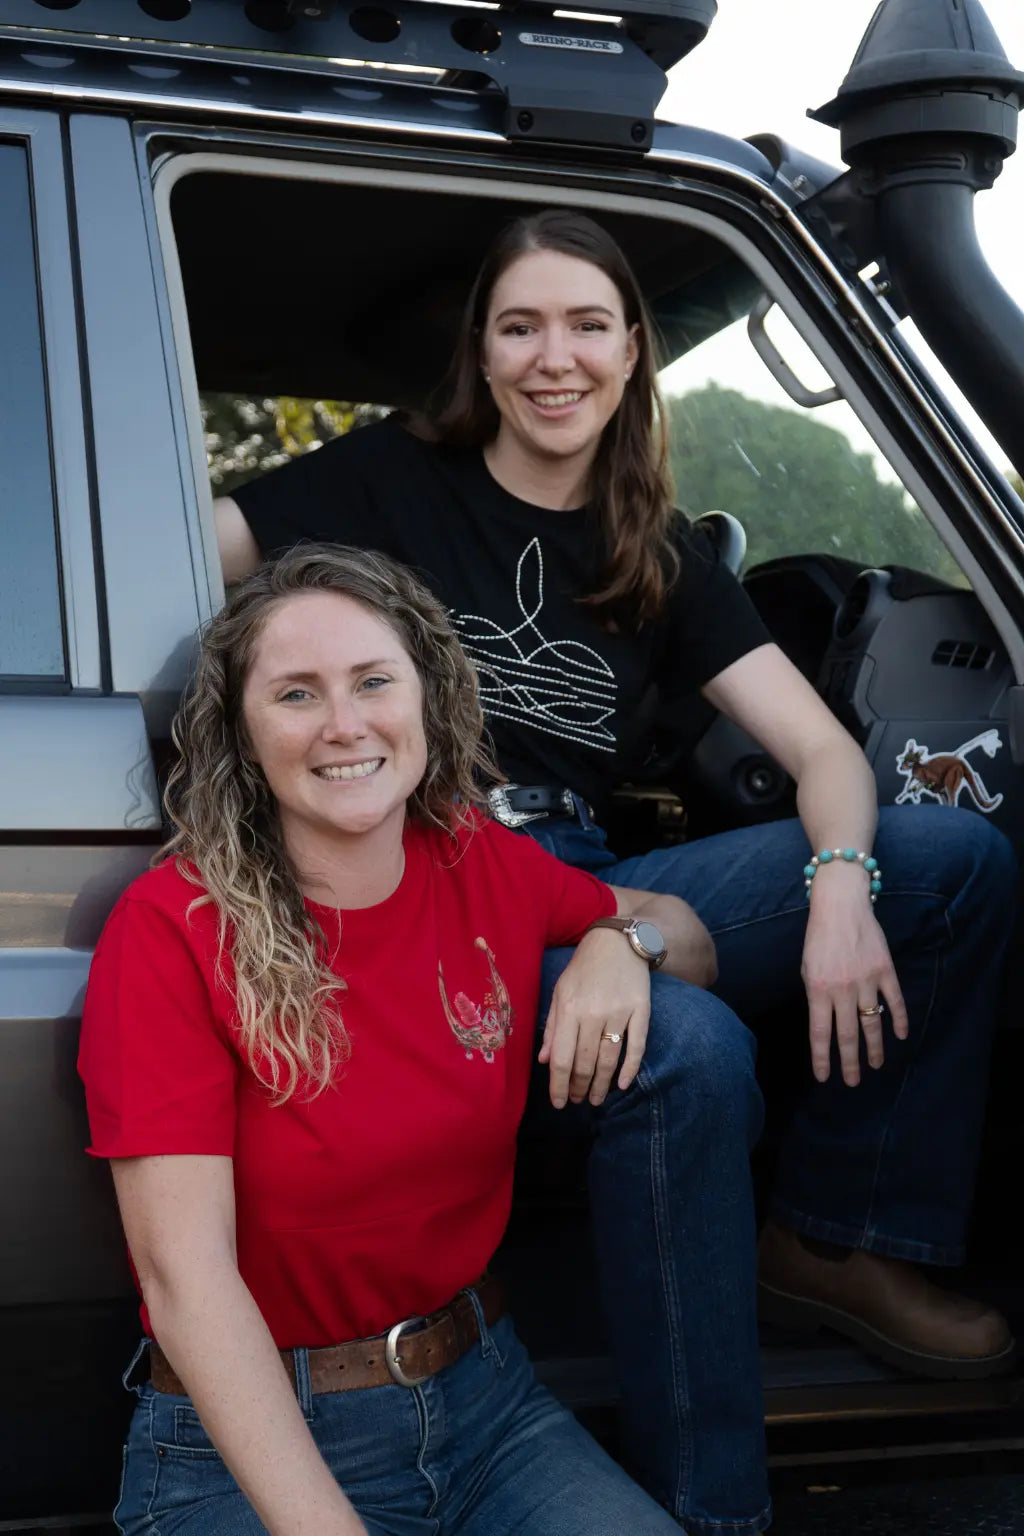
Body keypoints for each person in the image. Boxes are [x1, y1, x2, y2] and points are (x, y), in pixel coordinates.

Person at [213, 210, 1018, 1532]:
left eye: (587, 324)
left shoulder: (653, 545)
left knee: (949, 860)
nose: (554, 357)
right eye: (520, 324)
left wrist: (835, 893)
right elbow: (179, 544)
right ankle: (714, 1513)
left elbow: (823, 750)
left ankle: (830, 1238)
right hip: (442, 882)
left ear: (631, 349)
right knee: (685, 1046)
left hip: (594, 873)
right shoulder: (386, 482)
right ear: (482, 348)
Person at [78, 545, 716, 1536]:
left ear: (428, 696)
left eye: (373, 681)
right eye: (296, 694)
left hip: (488, 1409)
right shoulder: (175, 928)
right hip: (251, 1442)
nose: (344, 725)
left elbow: (689, 931)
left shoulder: (479, 860)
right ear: (242, 736)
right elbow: (185, 1279)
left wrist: (615, 940)